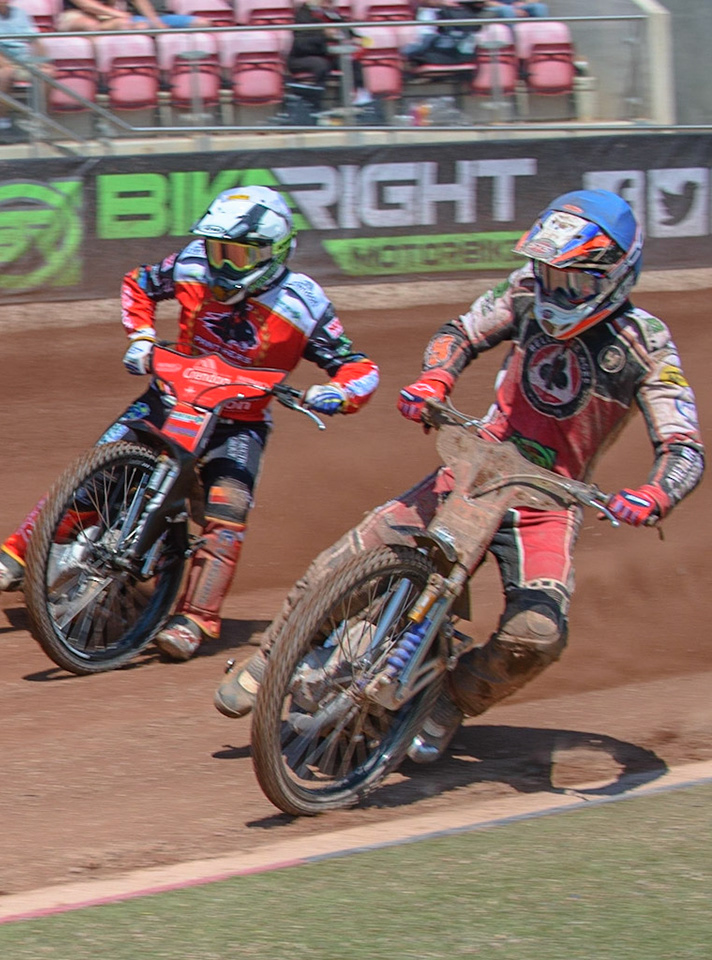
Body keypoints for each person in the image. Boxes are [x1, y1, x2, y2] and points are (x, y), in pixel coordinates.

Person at [214, 190, 702, 763]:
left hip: (548, 499)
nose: (555, 289)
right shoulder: (523, 290)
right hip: (479, 465)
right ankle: (273, 655)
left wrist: (654, 493)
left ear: (615, 276)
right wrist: (434, 380)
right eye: (549, 271)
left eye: (574, 281)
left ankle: (451, 699)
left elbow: (683, 444)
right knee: (352, 554)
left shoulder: (645, 343)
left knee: (537, 635)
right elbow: (460, 331)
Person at [0, 186, 380, 661]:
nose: (222, 264)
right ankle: (19, 554)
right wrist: (142, 337)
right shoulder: (190, 262)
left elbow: (357, 364)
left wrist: (339, 392)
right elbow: (138, 282)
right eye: (216, 249)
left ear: (273, 252)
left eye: (238, 254)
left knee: (228, 510)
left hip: (237, 422)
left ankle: (195, 617)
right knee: (97, 470)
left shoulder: (303, 302)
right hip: (169, 396)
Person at [0, 0, 45, 141]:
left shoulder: (21, 14)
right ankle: (1, 125)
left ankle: (40, 123)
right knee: (6, 73)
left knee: (47, 73)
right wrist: (3, 63)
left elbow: (35, 40)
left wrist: (43, 61)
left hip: (23, 62)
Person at [58, 0, 195, 31]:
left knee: (142, 26)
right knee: (90, 24)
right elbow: (86, 4)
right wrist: (118, 13)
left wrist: (155, 22)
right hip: (76, 15)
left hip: (109, 16)